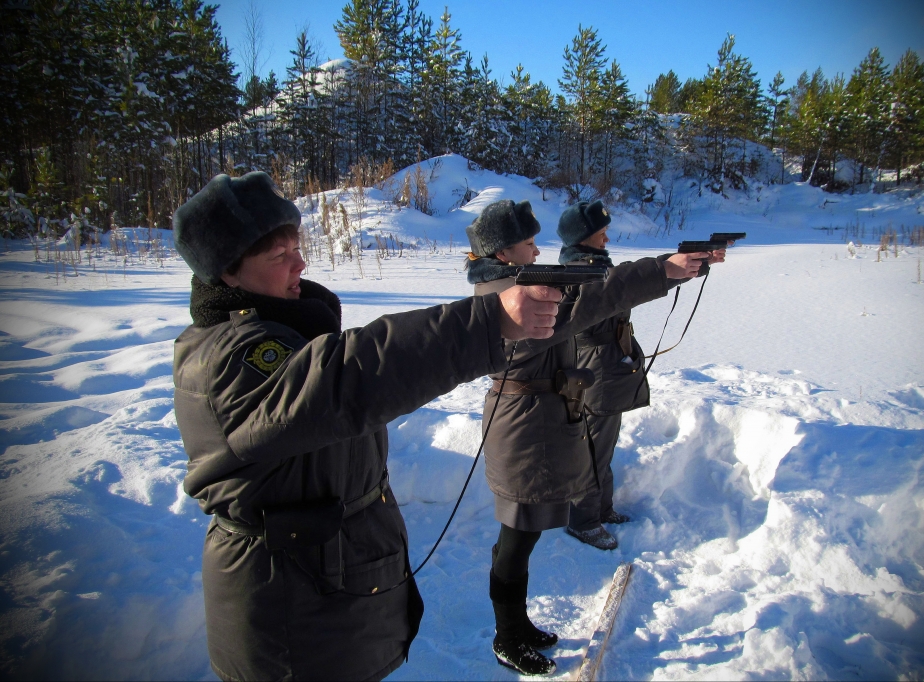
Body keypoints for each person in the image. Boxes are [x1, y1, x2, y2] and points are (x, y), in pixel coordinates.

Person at [171, 171, 562, 682]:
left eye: (297, 246)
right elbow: (348, 376)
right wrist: (484, 325)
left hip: (323, 593)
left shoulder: (281, 331)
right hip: (290, 613)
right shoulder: (231, 357)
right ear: (226, 273)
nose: (301, 263)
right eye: (277, 256)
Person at [464, 199, 707, 676]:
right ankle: (508, 636)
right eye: (529, 245)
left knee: (522, 536)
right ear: (504, 253)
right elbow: (599, 296)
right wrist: (664, 270)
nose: (538, 252)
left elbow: (598, 290)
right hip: (523, 427)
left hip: (531, 419)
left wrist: (667, 271)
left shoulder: (509, 284)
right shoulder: (514, 294)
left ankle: (517, 624)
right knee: (516, 539)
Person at [559, 201, 729, 550]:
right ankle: (583, 521)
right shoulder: (580, 273)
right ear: (583, 239)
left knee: (601, 448)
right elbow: (624, 284)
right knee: (592, 451)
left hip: (605, 369)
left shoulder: (594, 270)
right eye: (600, 234)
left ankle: (601, 510)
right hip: (595, 373)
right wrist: (667, 269)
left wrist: (689, 263)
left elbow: (626, 282)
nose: (606, 240)